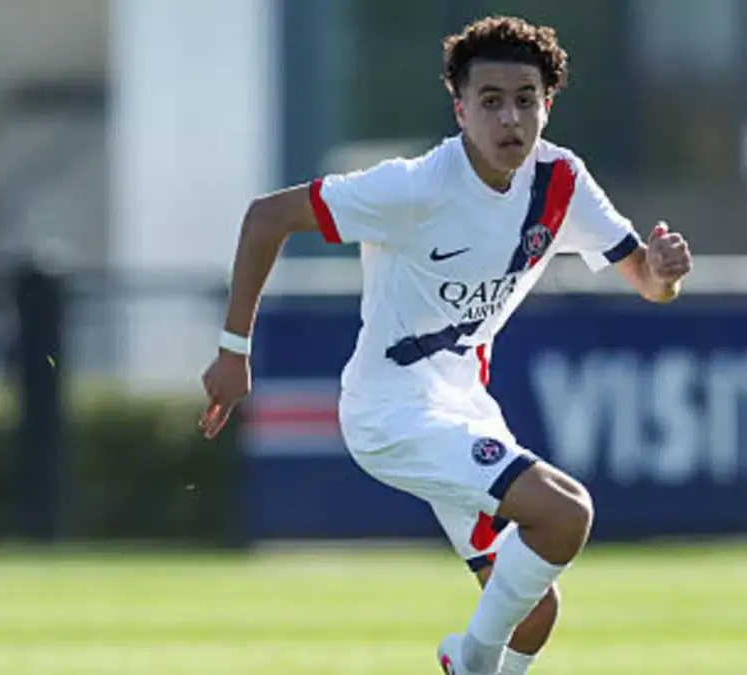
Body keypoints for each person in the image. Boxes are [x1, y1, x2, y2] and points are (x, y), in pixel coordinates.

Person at [200, 16, 693, 675]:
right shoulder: (415, 187)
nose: (509, 116)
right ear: (460, 108)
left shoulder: (560, 182)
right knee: (566, 512)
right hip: (390, 411)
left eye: (525, 99)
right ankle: (469, 661)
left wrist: (664, 271)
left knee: (536, 610)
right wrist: (235, 349)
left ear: (548, 105)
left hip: (463, 403)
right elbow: (268, 216)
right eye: (489, 100)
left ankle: (479, 663)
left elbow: (648, 283)